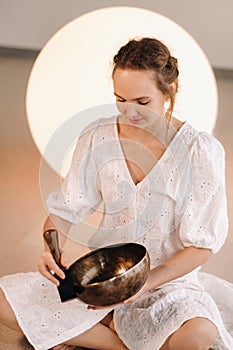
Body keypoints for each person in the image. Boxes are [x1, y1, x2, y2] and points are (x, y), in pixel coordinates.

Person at [0, 37, 233, 350]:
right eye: (120, 99)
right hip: (105, 278)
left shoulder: (199, 151)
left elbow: (202, 246)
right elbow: (65, 211)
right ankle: (124, 343)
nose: (129, 112)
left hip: (167, 282)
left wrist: (147, 281)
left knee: (199, 333)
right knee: (3, 300)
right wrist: (51, 250)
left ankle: (97, 333)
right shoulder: (98, 135)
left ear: (169, 90)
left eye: (142, 101)